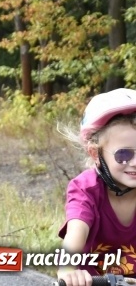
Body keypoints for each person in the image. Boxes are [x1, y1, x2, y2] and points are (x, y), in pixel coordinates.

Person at [57, 88, 136, 284]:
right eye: (124, 154)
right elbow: (77, 230)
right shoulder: (86, 189)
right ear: (95, 154)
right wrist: (68, 269)